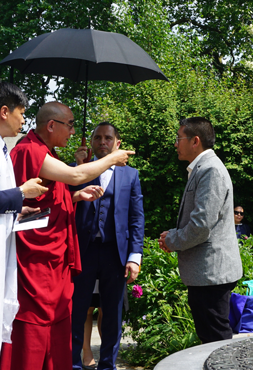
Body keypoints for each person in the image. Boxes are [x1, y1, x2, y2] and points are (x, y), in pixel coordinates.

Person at [6, 102, 134, 370]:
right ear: (51, 125)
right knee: (37, 323)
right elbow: (76, 175)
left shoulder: (46, 151)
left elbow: (46, 201)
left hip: (56, 259)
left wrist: (73, 197)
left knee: (60, 322)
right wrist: (112, 157)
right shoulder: (30, 150)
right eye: (70, 124)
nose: (73, 132)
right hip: (37, 262)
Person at [0, 81, 49, 370]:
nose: (24, 120)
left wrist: (18, 210)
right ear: (4, 111)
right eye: (21, 113)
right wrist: (21, 193)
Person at [158, 117, 243, 344]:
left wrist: (173, 239)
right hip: (207, 274)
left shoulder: (210, 170)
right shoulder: (204, 168)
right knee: (211, 338)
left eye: (179, 138)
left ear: (195, 141)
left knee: (215, 341)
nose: (175, 144)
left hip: (210, 274)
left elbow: (201, 226)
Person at [70, 122, 145, 370]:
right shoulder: (76, 170)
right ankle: (73, 364)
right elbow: (65, 199)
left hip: (115, 253)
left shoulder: (131, 175)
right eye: (98, 138)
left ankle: (107, 366)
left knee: (112, 313)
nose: (103, 142)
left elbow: (136, 217)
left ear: (117, 143)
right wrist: (80, 167)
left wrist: (135, 256)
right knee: (77, 309)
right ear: (91, 142)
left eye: (108, 138)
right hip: (83, 251)